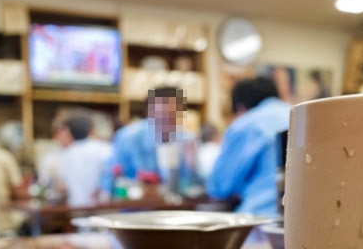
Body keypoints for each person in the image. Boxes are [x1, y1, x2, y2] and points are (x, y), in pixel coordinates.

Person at [207, 76, 291, 216]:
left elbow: (220, 187)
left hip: (261, 219)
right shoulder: (303, 115)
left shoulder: (247, 124)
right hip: (307, 223)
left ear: (240, 107)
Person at [101, 85, 196, 195]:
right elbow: (109, 180)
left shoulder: (186, 138)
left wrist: (192, 166)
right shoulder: (128, 137)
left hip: (175, 206)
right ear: (149, 111)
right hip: (136, 207)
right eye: (165, 110)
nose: (171, 117)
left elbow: (194, 185)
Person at [54, 113, 112, 206]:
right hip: (102, 207)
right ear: (92, 130)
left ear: (70, 132)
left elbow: (62, 185)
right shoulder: (105, 149)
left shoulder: (67, 153)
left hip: (76, 207)